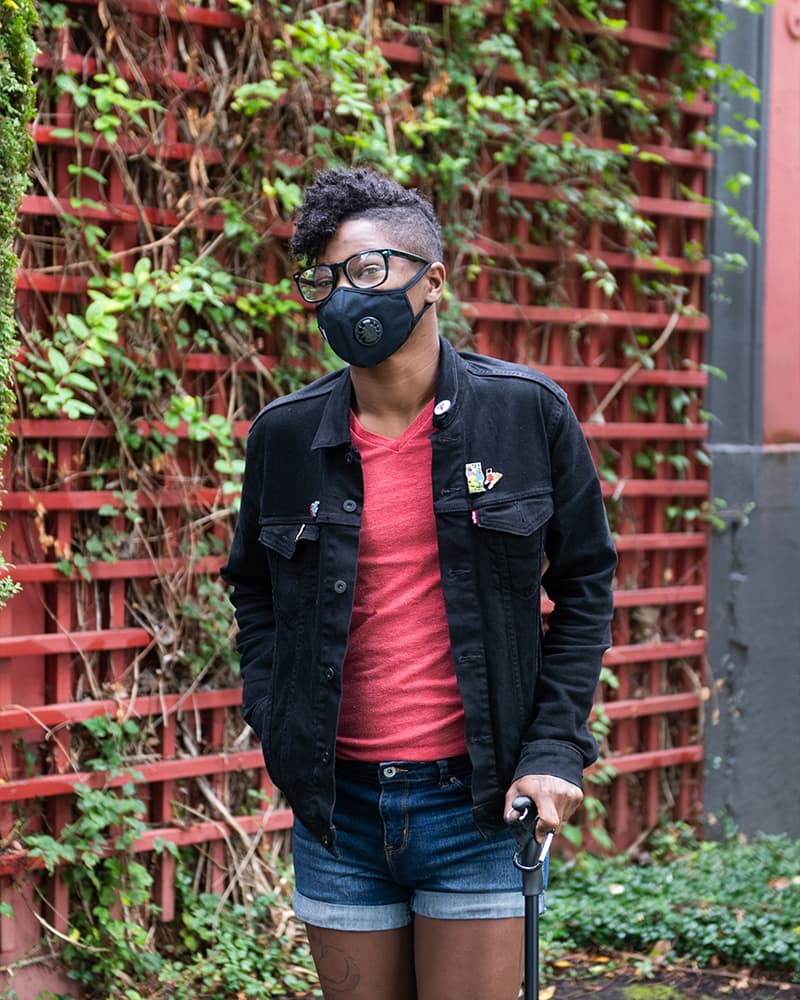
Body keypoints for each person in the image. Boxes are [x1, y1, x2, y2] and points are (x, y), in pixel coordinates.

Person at [221, 167, 617, 1000]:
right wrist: (275, 714)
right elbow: (252, 589)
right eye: (324, 280)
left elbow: (585, 584)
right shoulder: (286, 437)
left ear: (432, 281)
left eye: (368, 273)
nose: (343, 298)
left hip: (476, 805)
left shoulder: (527, 413)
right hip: (338, 812)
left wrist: (552, 753)